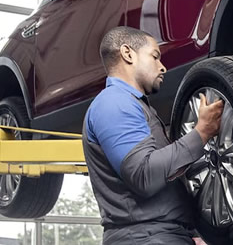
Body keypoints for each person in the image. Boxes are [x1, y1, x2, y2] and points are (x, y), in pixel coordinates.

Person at [82, 26, 224, 244]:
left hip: (159, 235)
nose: (163, 67)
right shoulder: (114, 103)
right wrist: (201, 132)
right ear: (128, 54)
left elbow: (166, 175)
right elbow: (143, 175)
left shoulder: (133, 105)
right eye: (155, 57)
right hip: (145, 237)